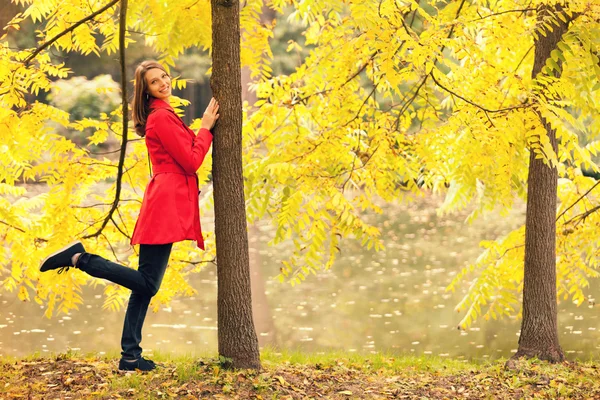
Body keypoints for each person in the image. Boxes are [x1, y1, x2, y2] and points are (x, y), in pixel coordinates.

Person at [39, 60, 219, 371]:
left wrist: (197, 131)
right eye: (154, 82)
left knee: (143, 284)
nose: (163, 83)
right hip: (166, 205)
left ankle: (130, 356)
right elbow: (191, 161)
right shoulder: (160, 117)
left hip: (167, 201)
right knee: (148, 284)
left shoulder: (165, 115)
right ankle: (81, 259)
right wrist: (204, 128)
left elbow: (183, 155)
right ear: (146, 91)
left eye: (164, 76)